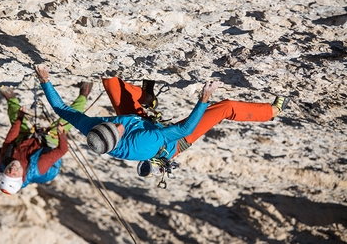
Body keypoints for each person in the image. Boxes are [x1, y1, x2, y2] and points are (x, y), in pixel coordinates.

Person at [34, 65, 289, 178]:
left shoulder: (92, 129)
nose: (117, 124)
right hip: (175, 141)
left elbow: (61, 109)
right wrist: (203, 99)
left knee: (109, 81)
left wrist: (44, 79)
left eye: (113, 123)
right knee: (224, 108)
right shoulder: (143, 143)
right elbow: (184, 128)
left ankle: (147, 96)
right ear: (120, 138)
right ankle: (271, 111)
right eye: (118, 129)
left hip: (140, 122)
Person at [0, 81, 93, 195]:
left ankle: (11, 98)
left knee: (16, 120)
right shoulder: (39, 167)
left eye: (7, 171)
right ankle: (84, 95)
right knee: (67, 120)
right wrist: (61, 133)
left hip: (24, 142)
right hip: (46, 146)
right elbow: (62, 150)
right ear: (20, 177)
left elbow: (9, 140)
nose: (12, 169)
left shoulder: (4, 160)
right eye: (14, 174)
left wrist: (19, 119)